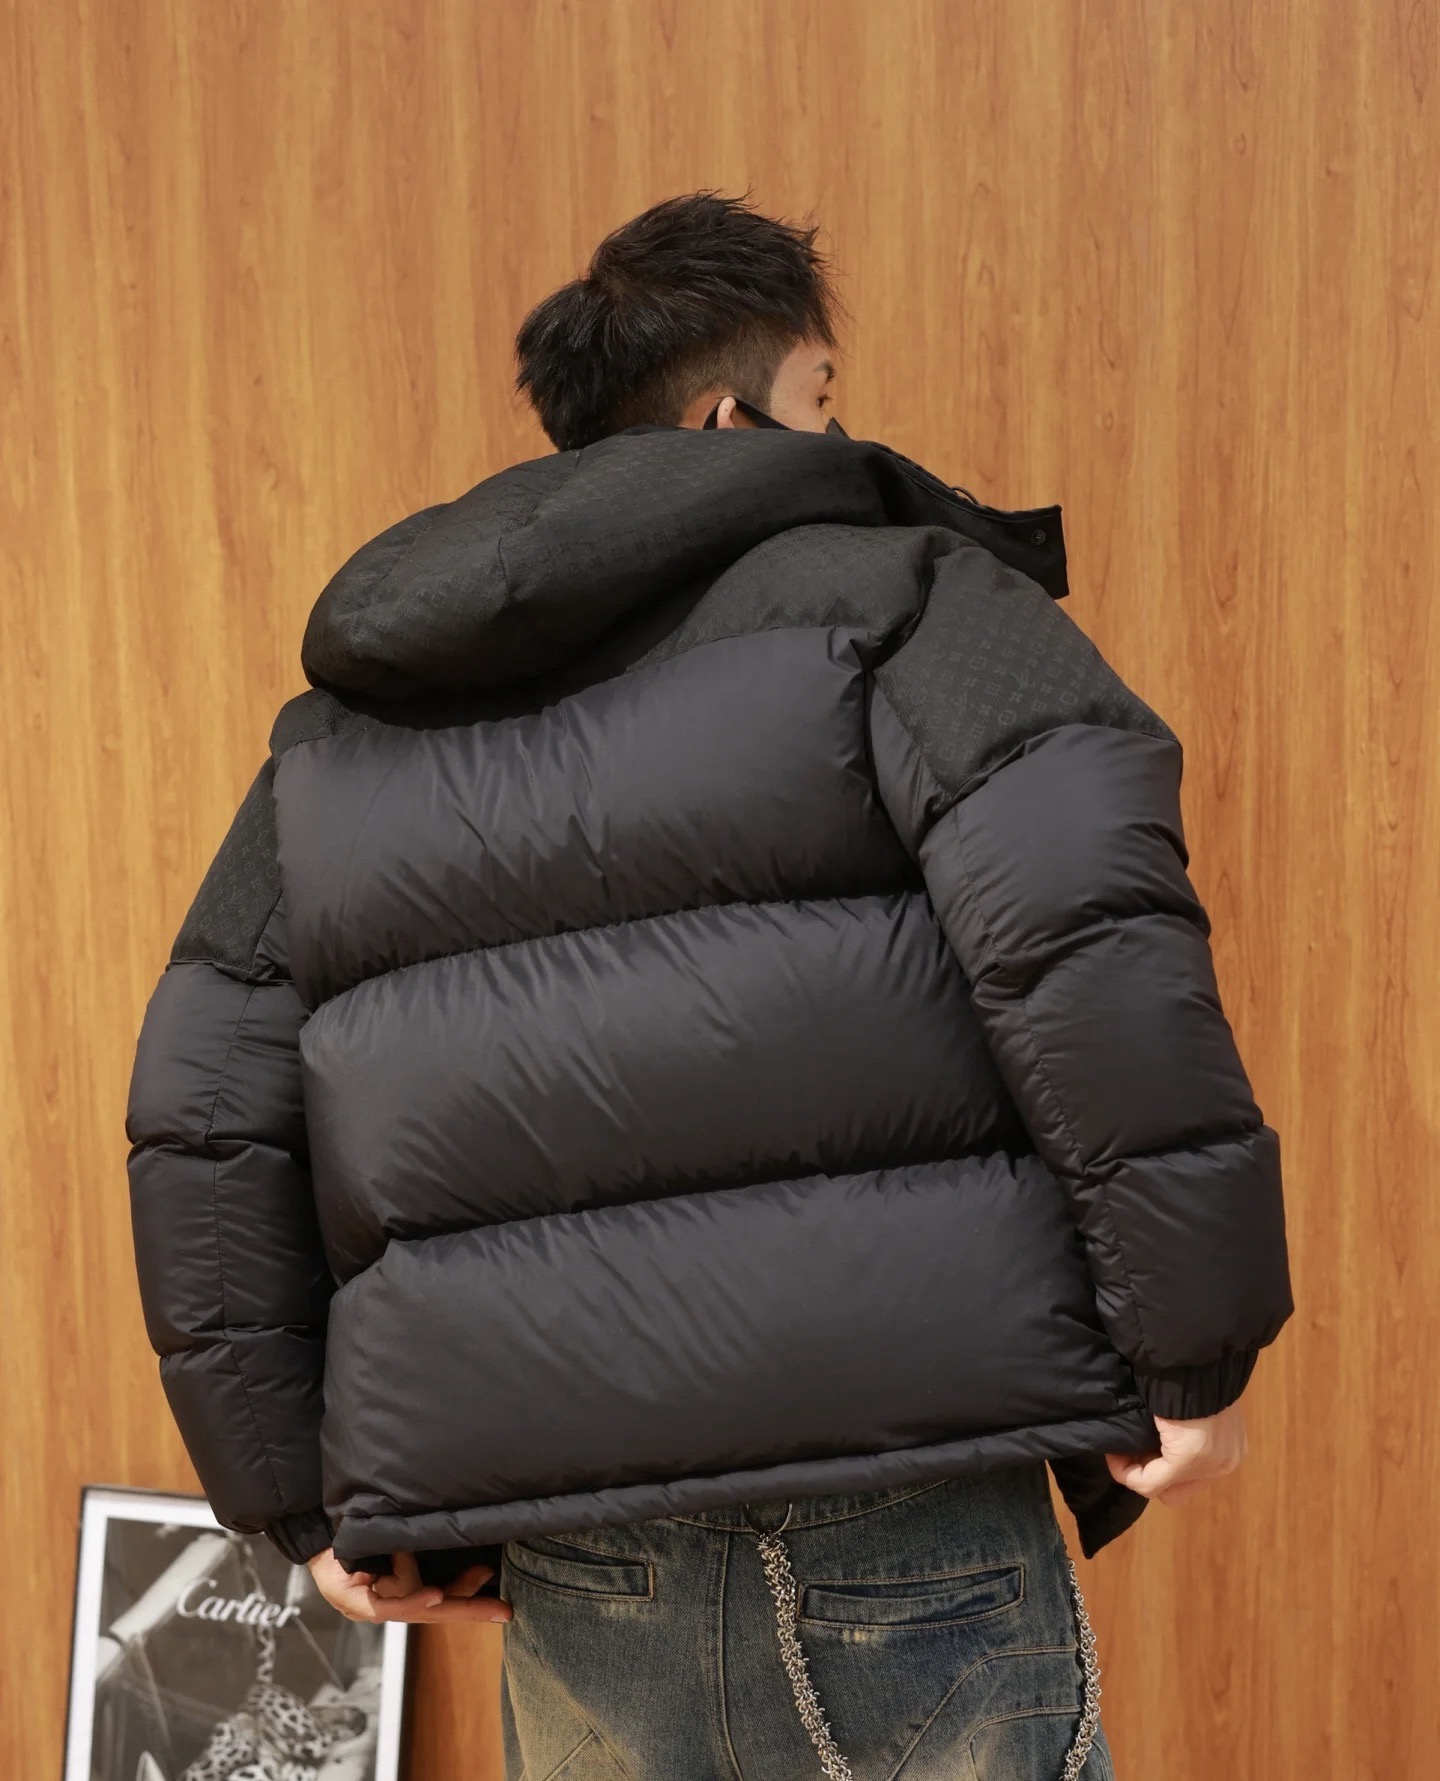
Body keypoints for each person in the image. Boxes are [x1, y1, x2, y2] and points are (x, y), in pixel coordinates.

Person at [125, 193, 1292, 1780]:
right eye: (824, 393)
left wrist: (292, 1496)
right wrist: (1193, 1344)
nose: (844, 432)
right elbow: (1090, 930)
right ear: (730, 423)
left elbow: (201, 1103)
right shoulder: (905, 604)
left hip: (569, 1534)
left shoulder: (346, 730)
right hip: (901, 1488)